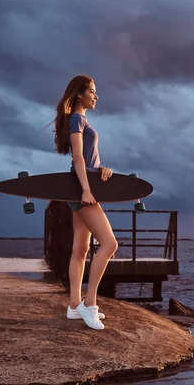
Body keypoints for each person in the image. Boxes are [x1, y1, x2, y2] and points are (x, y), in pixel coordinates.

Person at [51, 74, 118, 330]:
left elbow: (89, 161)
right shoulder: (77, 120)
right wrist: (87, 190)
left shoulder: (81, 120)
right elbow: (78, 158)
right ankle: (90, 305)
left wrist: (102, 169)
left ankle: (73, 306)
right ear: (79, 93)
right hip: (82, 190)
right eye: (92, 91)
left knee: (80, 249)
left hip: (80, 187)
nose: (96, 96)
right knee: (110, 243)